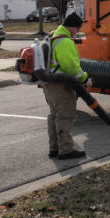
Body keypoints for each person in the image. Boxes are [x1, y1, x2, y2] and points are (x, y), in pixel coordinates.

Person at [42, 11, 92, 160]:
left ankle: (54, 148)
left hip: (49, 83)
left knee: (53, 117)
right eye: (77, 29)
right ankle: (66, 150)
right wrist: (85, 79)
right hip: (61, 86)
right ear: (72, 28)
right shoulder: (65, 41)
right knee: (64, 117)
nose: (77, 32)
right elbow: (71, 67)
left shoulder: (53, 37)